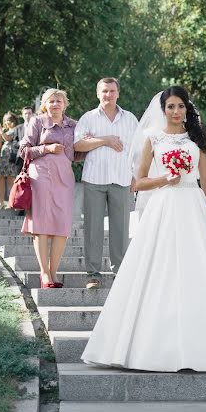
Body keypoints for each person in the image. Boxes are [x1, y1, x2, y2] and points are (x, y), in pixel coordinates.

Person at [82, 86, 206, 372]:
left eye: (181, 106)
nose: (176, 112)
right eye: (171, 107)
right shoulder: (152, 138)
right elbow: (137, 182)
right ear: (163, 110)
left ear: (187, 109)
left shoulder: (196, 140)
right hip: (163, 208)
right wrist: (164, 178)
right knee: (159, 269)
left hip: (194, 207)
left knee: (198, 270)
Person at [74, 78, 138, 290]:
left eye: (112, 91)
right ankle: (93, 275)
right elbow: (78, 144)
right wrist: (105, 139)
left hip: (121, 179)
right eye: (104, 91)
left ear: (118, 93)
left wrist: (137, 176)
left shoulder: (130, 119)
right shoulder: (88, 118)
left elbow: (138, 151)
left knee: (121, 229)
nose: (108, 95)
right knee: (93, 228)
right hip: (94, 179)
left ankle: (120, 273)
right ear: (97, 93)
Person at [19, 89, 81, 288]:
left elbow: (78, 153)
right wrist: (47, 148)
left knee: (62, 226)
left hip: (65, 177)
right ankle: (44, 273)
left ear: (65, 103)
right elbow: (23, 150)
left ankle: (54, 272)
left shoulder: (74, 125)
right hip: (41, 176)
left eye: (59, 100)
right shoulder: (37, 122)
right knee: (42, 224)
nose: (55, 104)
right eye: (51, 101)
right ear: (45, 104)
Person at [0, 112, 19, 209]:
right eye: (5, 120)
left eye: (8, 120)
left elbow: (8, 139)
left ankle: (11, 202)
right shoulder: (3, 131)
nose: (7, 122)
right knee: (0, 178)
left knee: (10, 179)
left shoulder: (16, 130)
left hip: (11, 157)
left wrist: (1, 131)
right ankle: (1, 202)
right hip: (3, 156)